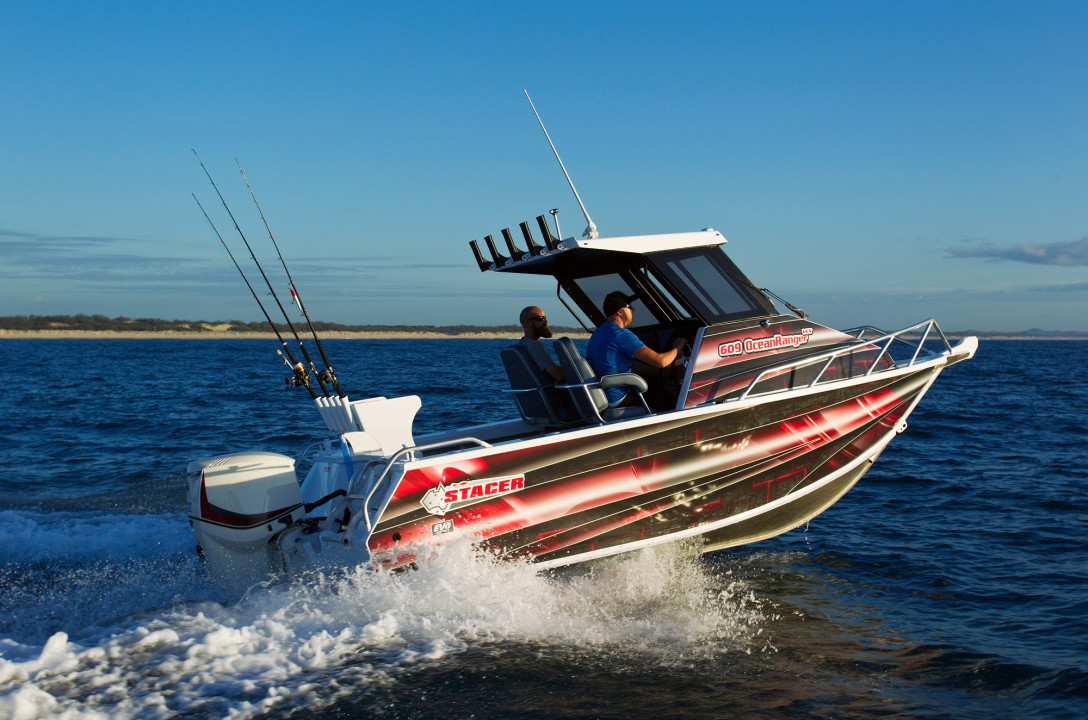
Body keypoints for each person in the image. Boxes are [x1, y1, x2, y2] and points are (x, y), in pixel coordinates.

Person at [586, 291, 687, 407]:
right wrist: (678, 346)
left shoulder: (598, 332)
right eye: (629, 307)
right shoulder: (620, 334)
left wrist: (661, 373)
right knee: (672, 400)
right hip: (619, 398)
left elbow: (631, 365)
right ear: (620, 312)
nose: (633, 310)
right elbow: (661, 361)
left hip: (604, 395)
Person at [518, 305, 564, 381]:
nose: (546, 321)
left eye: (545, 317)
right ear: (527, 323)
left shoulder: (522, 344)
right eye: (540, 318)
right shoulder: (534, 346)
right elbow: (559, 375)